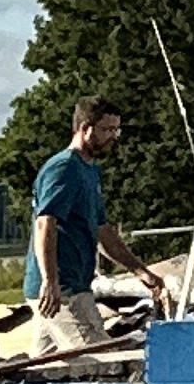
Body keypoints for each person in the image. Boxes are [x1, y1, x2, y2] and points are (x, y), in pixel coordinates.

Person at [26, 100, 167, 352]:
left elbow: (102, 232)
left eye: (117, 130)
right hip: (63, 290)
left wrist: (141, 272)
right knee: (101, 362)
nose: (114, 136)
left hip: (70, 285)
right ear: (85, 128)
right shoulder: (64, 168)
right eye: (107, 130)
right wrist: (50, 280)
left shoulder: (89, 171)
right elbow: (45, 223)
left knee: (48, 369)